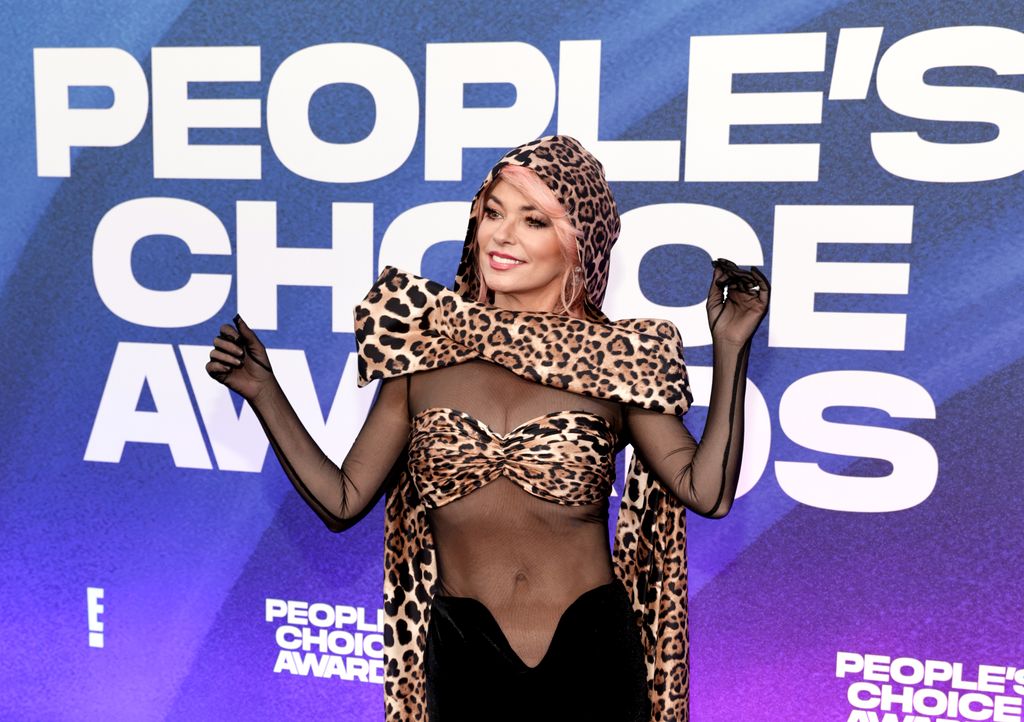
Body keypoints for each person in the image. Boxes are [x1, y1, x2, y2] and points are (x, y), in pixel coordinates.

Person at [206, 135, 769, 722]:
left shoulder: (615, 358)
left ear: (577, 244)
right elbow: (343, 501)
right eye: (493, 213)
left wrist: (730, 348)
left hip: (593, 653)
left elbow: (707, 492)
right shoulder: (423, 353)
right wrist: (264, 393)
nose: (501, 235)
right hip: (465, 656)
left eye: (533, 221)